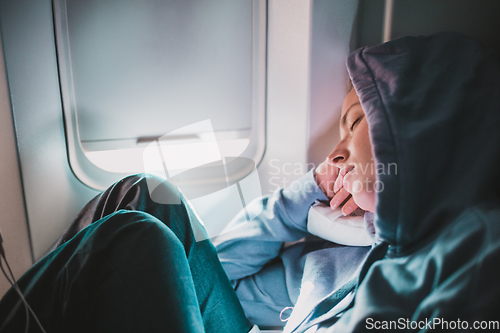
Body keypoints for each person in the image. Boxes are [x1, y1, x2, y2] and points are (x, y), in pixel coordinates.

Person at [1, 31, 500, 333]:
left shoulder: (474, 245)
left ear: (417, 130)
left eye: (354, 122)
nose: (338, 150)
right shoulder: (338, 253)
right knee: (146, 195)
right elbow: (228, 278)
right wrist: (302, 199)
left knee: (135, 238)